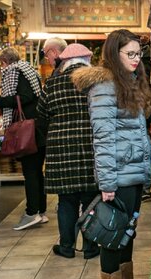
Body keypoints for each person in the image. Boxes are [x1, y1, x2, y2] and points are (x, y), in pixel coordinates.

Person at [72, 29, 151, 279]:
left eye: (138, 54)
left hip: (133, 174)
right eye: (129, 54)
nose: (135, 59)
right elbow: (103, 140)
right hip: (118, 176)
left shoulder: (129, 82)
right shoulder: (105, 87)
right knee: (113, 236)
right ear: (113, 54)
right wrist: (107, 183)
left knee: (127, 232)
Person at [37, 43, 100, 259]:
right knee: (91, 199)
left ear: (65, 61)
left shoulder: (53, 82)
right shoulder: (94, 81)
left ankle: (66, 247)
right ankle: (91, 247)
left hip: (60, 148)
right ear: (86, 60)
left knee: (66, 200)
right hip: (90, 145)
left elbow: (41, 114)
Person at [0, 47, 47, 230]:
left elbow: (24, 97)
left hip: (28, 131)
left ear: (5, 61)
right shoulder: (28, 70)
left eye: (1, 63)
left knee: (31, 172)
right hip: (38, 128)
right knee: (37, 172)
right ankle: (40, 211)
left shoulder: (15, 72)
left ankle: (32, 212)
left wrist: (1, 101)